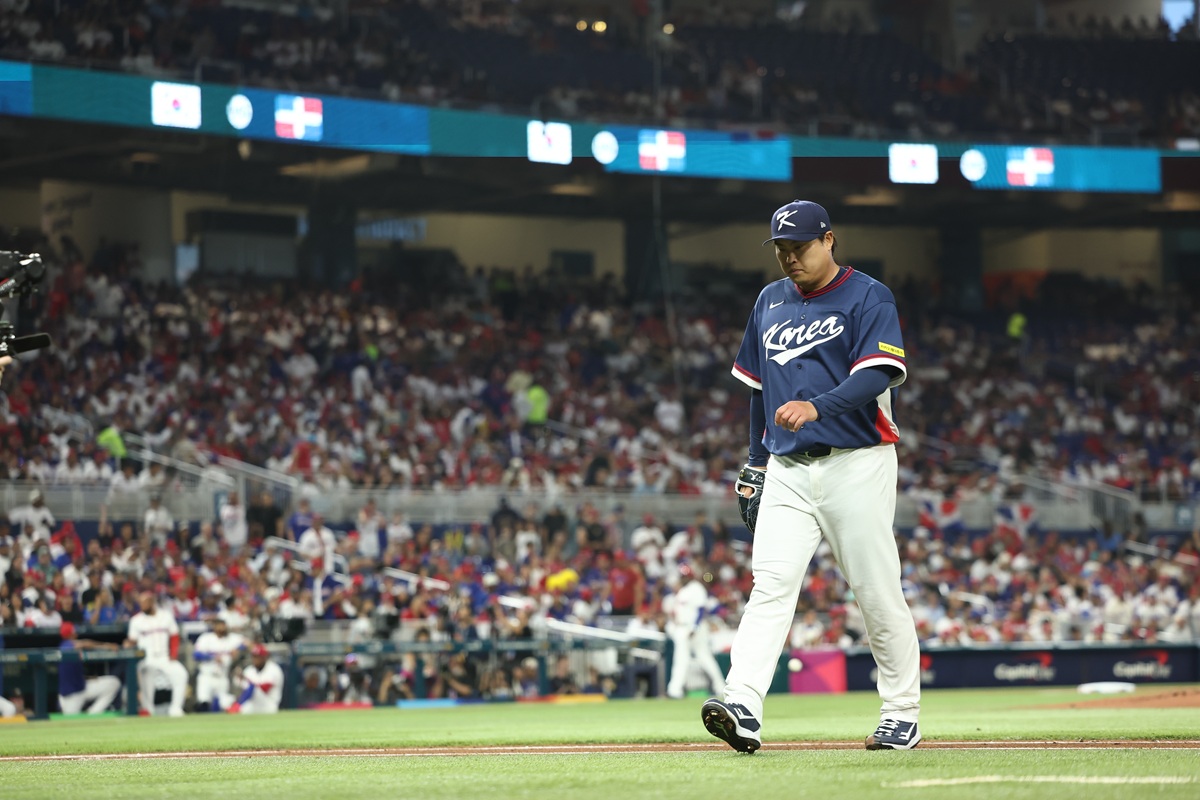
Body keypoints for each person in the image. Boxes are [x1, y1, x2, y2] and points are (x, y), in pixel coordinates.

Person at [702, 200, 921, 753]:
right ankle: (742, 704)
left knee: (874, 591)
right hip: (787, 469)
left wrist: (818, 406)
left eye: (799, 246)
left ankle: (901, 712)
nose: (789, 257)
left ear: (830, 240)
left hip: (858, 461)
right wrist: (755, 460)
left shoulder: (868, 295)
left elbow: (878, 374)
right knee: (770, 587)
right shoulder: (769, 300)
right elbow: (757, 389)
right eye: (781, 248)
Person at [665, 564, 726, 700]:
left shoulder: (696, 588)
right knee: (682, 659)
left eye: (685, 576)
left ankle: (720, 686)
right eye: (682, 576)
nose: (683, 578)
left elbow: (700, 610)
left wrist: (694, 627)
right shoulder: (683, 591)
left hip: (694, 628)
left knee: (704, 657)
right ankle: (675, 690)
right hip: (682, 628)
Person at [124, 591, 189, 716]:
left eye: (144, 602)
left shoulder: (166, 616)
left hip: (165, 657)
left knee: (181, 674)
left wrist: (173, 654)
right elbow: (132, 640)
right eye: (140, 603)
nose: (142, 605)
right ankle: (149, 710)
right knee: (146, 680)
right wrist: (128, 644)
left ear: (152, 602)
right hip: (147, 659)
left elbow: (174, 636)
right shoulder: (136, 620)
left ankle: (175, 709)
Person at [57, 621, 122, 715]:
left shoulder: (65, 645)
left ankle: (92, 714)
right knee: (72, 724)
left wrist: (88, 677)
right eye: (73, 631)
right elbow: (84, 644)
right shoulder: (66, 646)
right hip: (71, 696)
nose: (76, 633)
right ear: (70, 633)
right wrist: (107, 646)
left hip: (82, 687)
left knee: (113, 683)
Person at [192, 616, 246, 711]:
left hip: (222, 677)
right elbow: (196, 655)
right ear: (214, 627)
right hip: (207, 676)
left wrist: (238, 649)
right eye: (219, 626)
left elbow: (247, 643)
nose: (222, 628)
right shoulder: (206, 638)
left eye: (224, 626)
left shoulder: (231, 639)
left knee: (222, 704)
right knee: (203, 702)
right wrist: (212, 657)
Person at [228, 643, 283, 714]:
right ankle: (236, 707)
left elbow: (265, 688)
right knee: (225, 700)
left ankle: (237, 706)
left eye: (258, 657)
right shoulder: (249, 670)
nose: (255, 659)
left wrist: (247, 679)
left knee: (253, 688)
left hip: (268, 704)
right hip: (252, 704)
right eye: (254, 656)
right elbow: (242, 688)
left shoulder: (273, 668)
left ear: (264, 657)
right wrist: (239, 678)